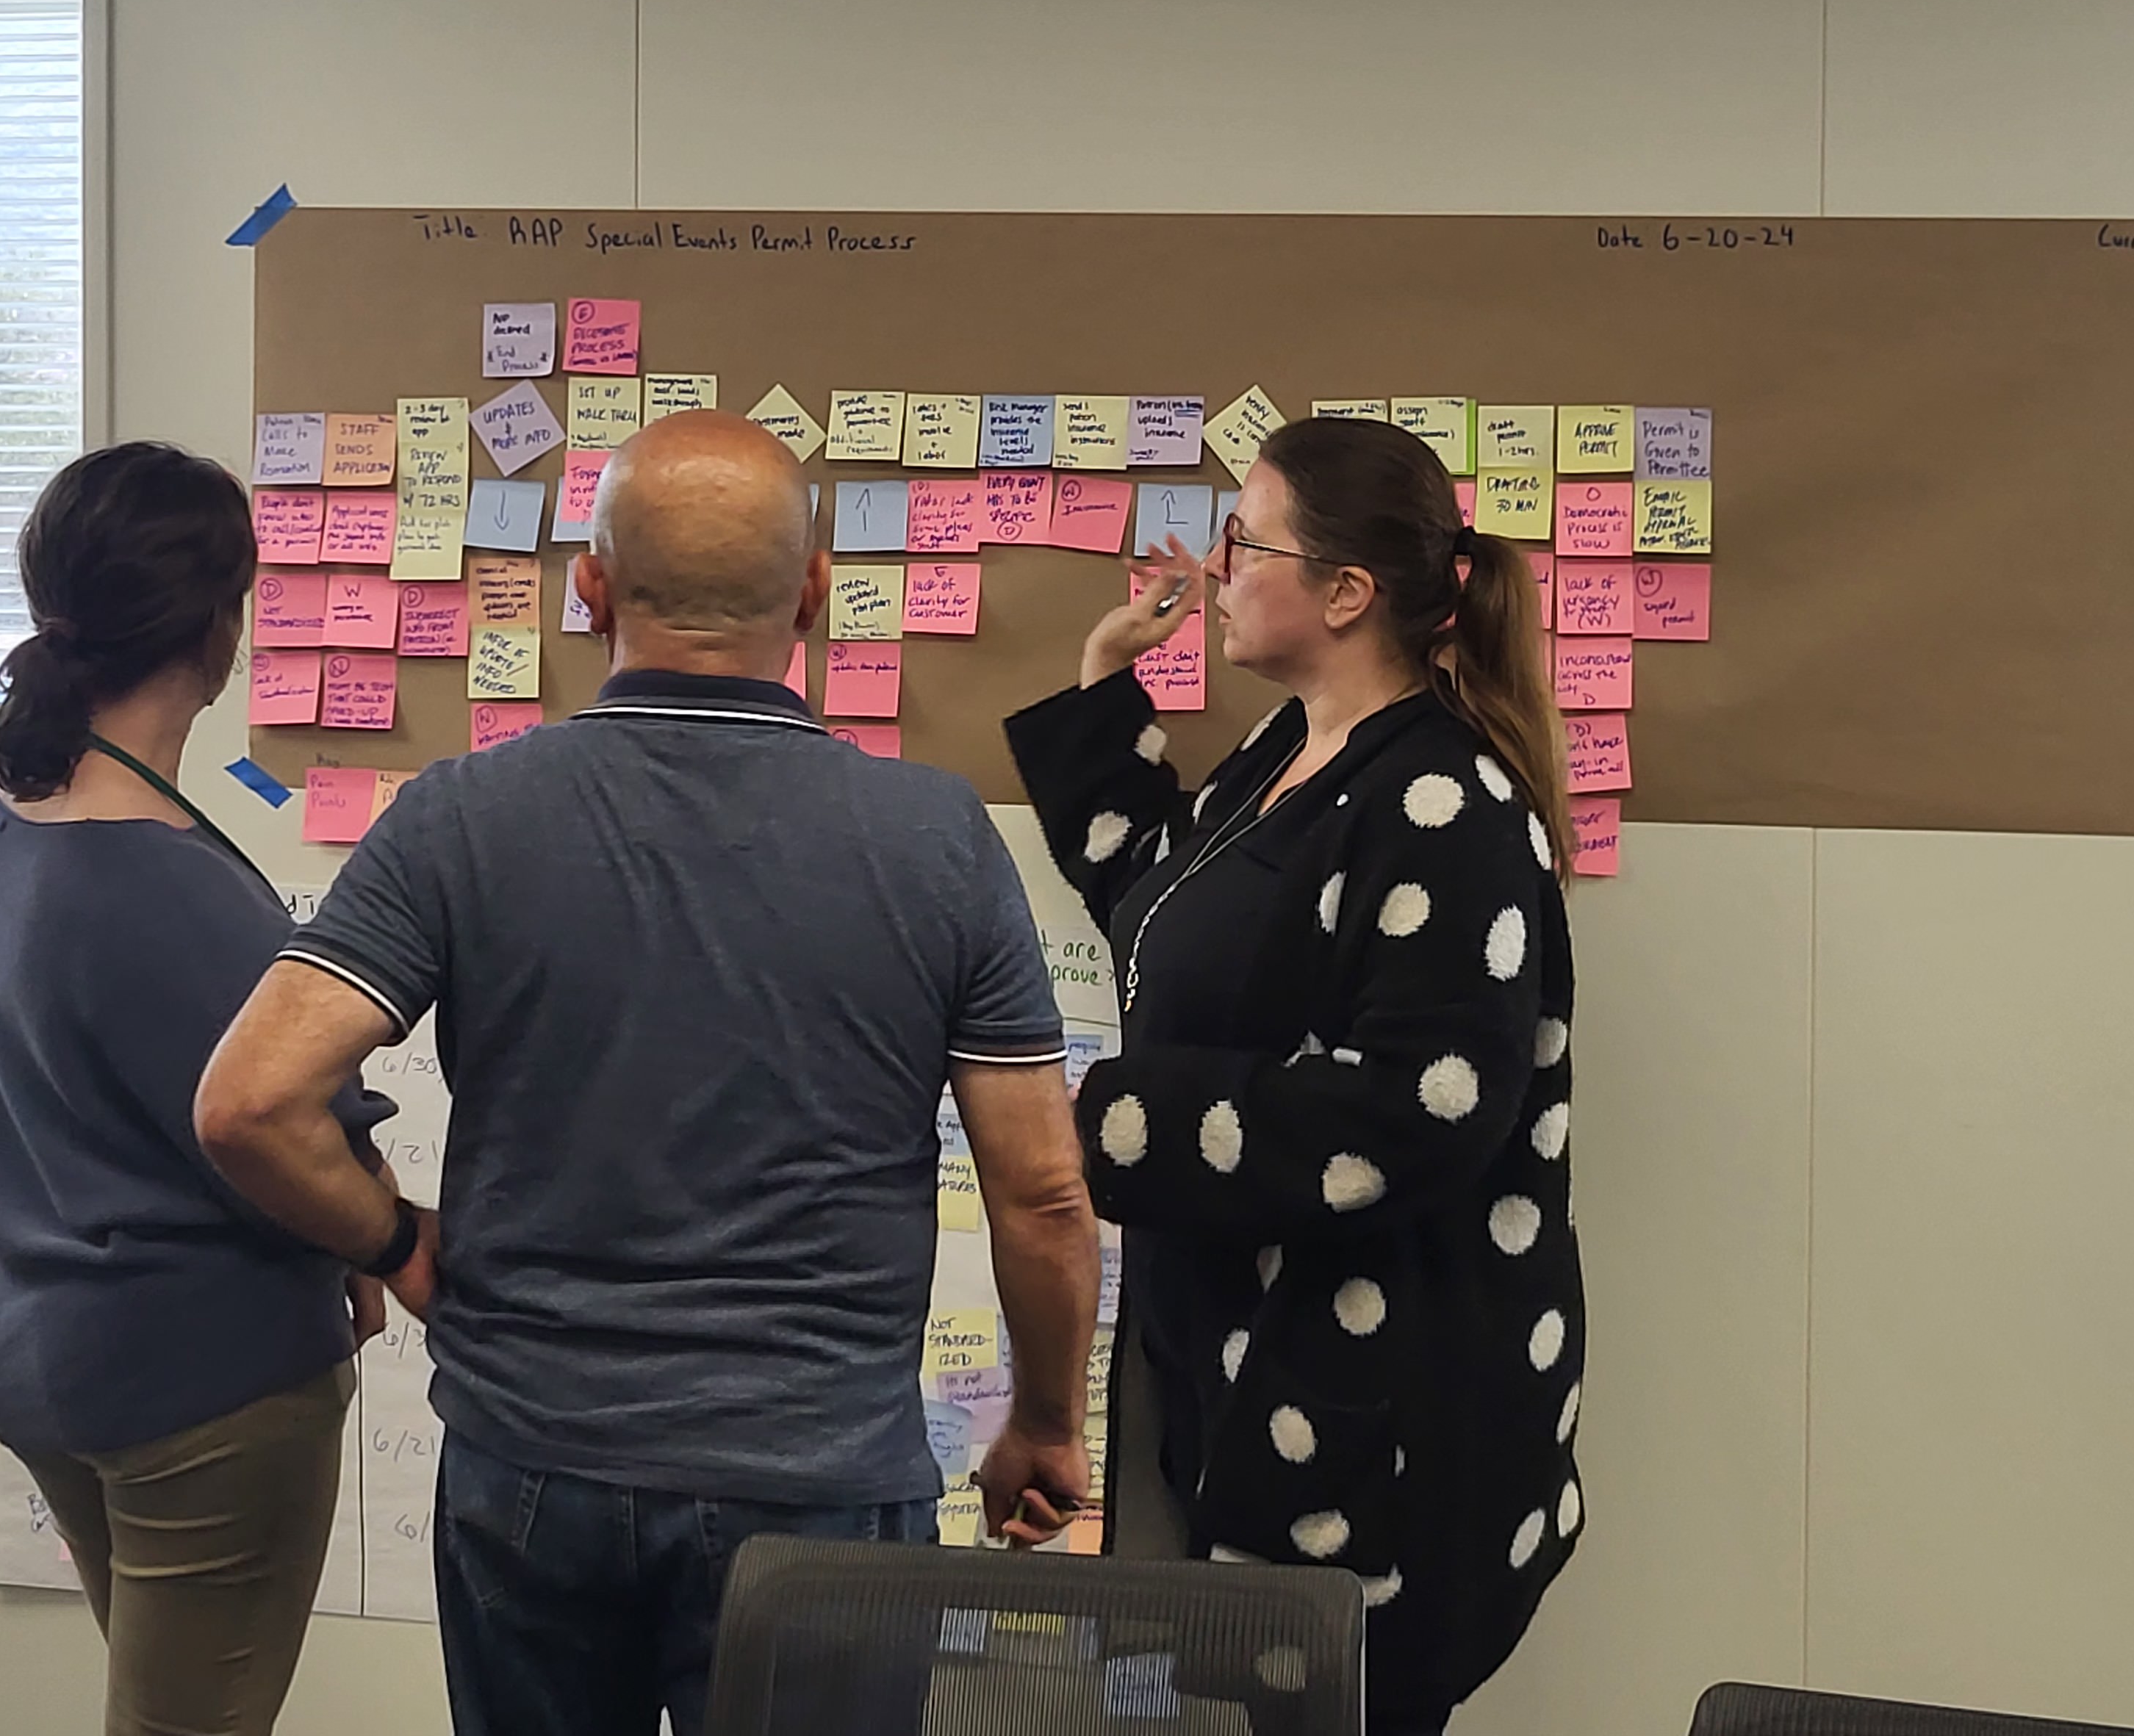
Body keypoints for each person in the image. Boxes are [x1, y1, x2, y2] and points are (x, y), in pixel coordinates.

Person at [193, 408, 1100, 1736]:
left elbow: (250, 1102)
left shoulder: (464, 815)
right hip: (824, 1487)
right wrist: (1042, 1421)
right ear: (813, 595)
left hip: (534, 1473)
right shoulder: (938, 840)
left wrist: (398, 1243)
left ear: (592, 589)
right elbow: (1043, 1197)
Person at [1005, 414, 1587, 1735]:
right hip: (1240, 1365)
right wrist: (1106, 687)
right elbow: (1170, 923)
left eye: (1241, 541)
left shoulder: (1447, 801)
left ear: (1345, 591)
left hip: (1368, 1418)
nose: (1214, 571)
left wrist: (1096, 1123)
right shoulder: (1295, 751)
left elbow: (1415, 1114)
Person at [0, 442, 396, 1736]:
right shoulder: (158, 880)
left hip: (44, 1360)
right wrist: (389, 1234)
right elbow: (275, 1118)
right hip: (200, 1391)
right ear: (221, 621)